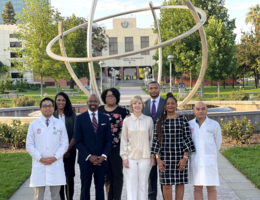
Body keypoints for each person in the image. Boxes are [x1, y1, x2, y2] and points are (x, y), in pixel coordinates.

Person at [151, 93, 195, 200]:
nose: (170, 105)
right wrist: (158, 159)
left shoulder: (182, 119)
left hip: (180, 157)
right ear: (164, 106)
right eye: (168, 103)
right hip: (165, 158)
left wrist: (185, 158)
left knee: (180, 184)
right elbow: (156, 140)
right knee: (166, 185)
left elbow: (187, 139)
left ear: (176, 105)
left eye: (172, 103)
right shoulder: (159, 120)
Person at [26, 97, 69, 200]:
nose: (47, 108)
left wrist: (55, 157)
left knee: (56, 196)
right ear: (40, 108)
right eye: (44, 106)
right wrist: (40, 158)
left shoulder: (60, 124)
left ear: (53, 108)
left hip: (55, 165)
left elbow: (64, 144)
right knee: (38, 197)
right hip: (39, 165)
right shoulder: (33, 125)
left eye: (50, 106)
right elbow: (29, 145)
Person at [74, 93, 112, 200]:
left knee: (100, 187)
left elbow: (108, 140)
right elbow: (78, 141)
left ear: (99, 103)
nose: (93, 103)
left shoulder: (105, 118)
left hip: (101, 160)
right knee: (85, 187)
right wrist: (89, 156)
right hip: (85, 160)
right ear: (87, 103)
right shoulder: (80, 118)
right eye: (90, 101)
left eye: (95, 101)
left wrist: (103, 156)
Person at [120, 95, 155, 200]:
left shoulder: (148, 120)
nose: (137, 105)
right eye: (135, 103)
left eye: (139, 103)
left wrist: (152, 156)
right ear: (131, 105)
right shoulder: (127, 121)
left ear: (142, 105)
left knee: (143, 183)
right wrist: (124, 157)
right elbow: (124, 140)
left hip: (145, 156)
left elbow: (152, 139)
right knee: (131, 182)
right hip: (131, 157)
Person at [98, 88, 130, 200]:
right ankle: (109, 197)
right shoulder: (99, 110)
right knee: (107, 175)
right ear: (104, 98)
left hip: (118, 148)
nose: (110, 97)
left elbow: (128, 129)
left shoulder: (123, 111)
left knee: (117, 175)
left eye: (112, 95)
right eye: (107, 95)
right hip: (102, 148)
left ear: (117, 97)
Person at [189, 101, 222, 200]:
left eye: (203, 108)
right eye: (198, 109)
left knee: (212, 188)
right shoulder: (189, 125)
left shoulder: (214, 124)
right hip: (196, 160)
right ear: (194, 111)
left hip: (209, 161)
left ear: (207, 110)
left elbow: (218, 143)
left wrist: (210, 154)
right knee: (197, 188)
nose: (200, 111)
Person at [142, 81, 165, 200]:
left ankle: (166, 197)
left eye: (155, 88)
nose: (153, 90)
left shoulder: (166, 103)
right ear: (148, 90)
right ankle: (152, 198)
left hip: (164, 145)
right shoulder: (143, 105)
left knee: (164, 174)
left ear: (159, 88)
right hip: (149, 145)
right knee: (151, 175)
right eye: (151, 88)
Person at [53, 92, 77, 200]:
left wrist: (66, 150)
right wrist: (59, 152)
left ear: (66, 101)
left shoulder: (71, 114)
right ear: (55, 101)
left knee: (69, 177)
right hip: (55, 153)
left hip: (70, 151)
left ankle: (70, 198)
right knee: (58, 177)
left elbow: (75, 134)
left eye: (63, 100)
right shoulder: (52, 115)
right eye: (59, 100)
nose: (61, 102)